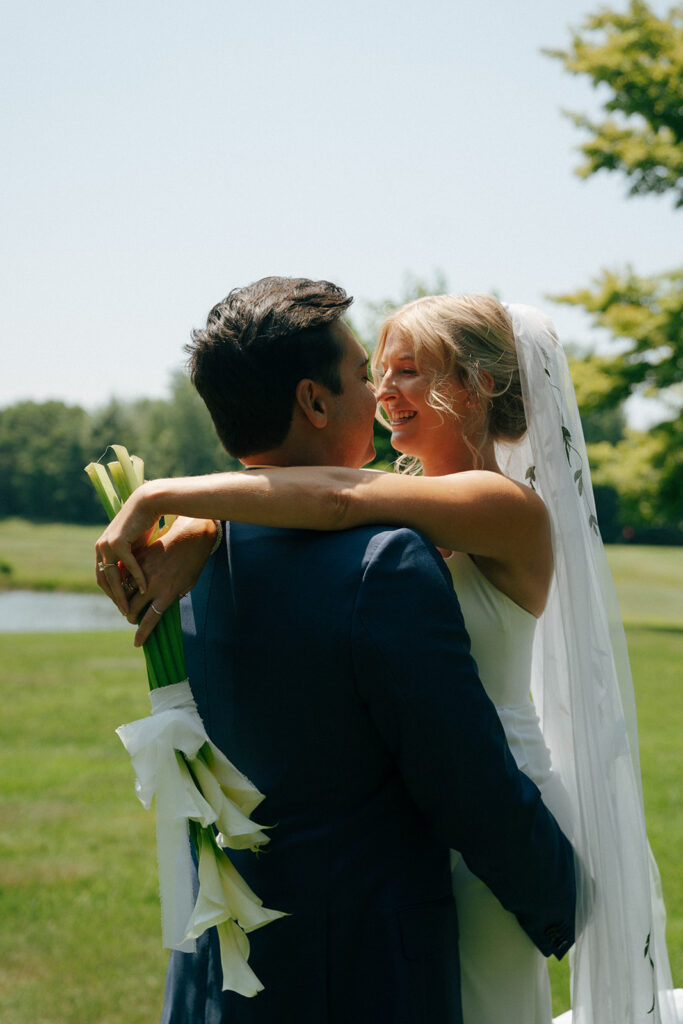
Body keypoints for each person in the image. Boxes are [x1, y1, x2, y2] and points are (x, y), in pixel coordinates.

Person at [96, 277, 576, 1024]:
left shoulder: (497, 505)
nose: (383, 389)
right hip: (414, 842)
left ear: (477, 384)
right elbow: (317, 494)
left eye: (408, 369)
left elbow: (337, 498)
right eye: (373, 371)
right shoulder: (393, 506)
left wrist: (166, 498)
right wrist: (206, 528)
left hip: (493, 825)